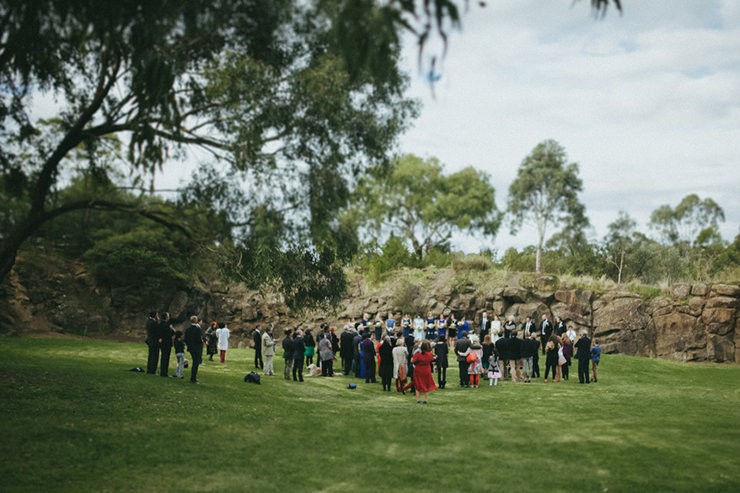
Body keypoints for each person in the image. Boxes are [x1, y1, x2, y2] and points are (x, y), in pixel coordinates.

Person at [184, 316, 204, 384]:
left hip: (191, 347)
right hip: (196, 347)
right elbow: (199, 339)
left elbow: (186, 338)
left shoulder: (188, 329)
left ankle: (193, 378)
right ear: (195, 321)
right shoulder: (197, 329)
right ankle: (193, 378)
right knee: (195, 362)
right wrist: (201, 341)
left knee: (194, 361)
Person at [156, 312, 174, 377]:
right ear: (167, 318)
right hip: (167, 343)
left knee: (163, 357)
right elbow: (169, 333)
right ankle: (164, 372)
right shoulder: (167, 325)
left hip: (162, 342)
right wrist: (172, 330)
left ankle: (162, 371)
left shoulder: (159, 324)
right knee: (166, 357)